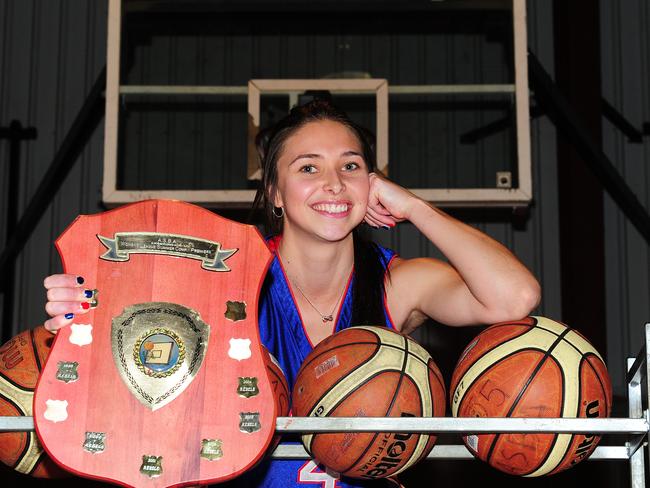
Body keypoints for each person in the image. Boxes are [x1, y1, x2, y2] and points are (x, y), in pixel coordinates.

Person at [42, 100, 541, 487]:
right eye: (308, 168)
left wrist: (415, 207)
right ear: (276, 194)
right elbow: (145, 355)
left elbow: (514, 297)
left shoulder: (397, 281)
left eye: (350, 167)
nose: (333, 183)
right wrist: (86, 318)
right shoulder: (223, 273)